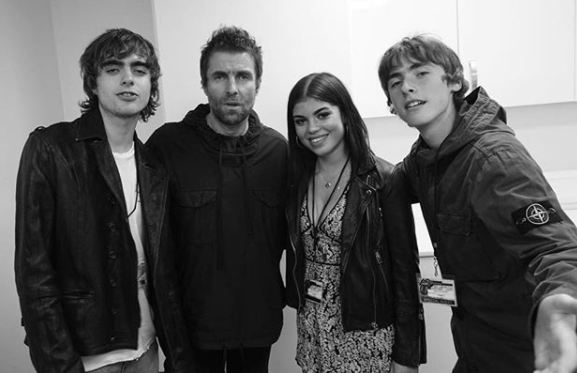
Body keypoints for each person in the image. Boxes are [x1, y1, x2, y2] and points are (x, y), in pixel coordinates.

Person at [378, 34, 577, 373]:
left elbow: (556, 247)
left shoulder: (494, 159)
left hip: (528, 354)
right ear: (391, 105)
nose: (407, 87)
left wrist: (559, 300)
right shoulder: (426, 159)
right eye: (396, 83)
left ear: (455, 80)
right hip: (476, 349)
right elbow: (390, 180)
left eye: (420, 73)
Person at [15, 28, 191, 373]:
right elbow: (34, 273)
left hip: (147, 349)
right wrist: (59, 365)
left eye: (139, 70)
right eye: (113, 69)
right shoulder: (52, 149)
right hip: (87, 357)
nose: (128, 79)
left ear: (151, 85)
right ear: (93, 83)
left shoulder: (154, 165)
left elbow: (163, 272)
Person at [146, 26, 288, 372]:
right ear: (205, 83)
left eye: (243, 76)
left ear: (257, 83)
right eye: (220, 76)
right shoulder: (168, 147)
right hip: (191, 331)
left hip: (257, 326)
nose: (232, 88)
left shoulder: (278, 151)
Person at [285, 72, 425, 373]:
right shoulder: (297, 180)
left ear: (345, 115)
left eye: (323, 115)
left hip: (366, 338)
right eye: (301, 120)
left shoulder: (385, 180)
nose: (312, 128)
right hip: (314, 334)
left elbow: (405, 275)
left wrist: (407, 357)